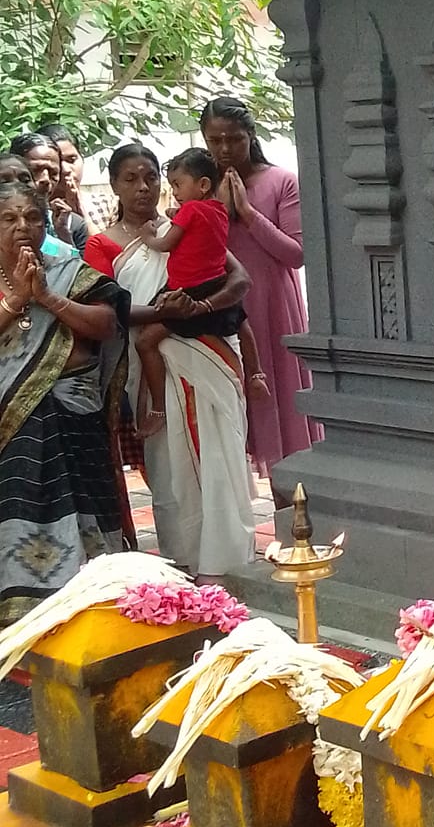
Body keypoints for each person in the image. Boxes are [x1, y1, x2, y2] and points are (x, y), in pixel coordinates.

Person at [85, 145, 257, 577]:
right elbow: (107, 311)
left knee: (218, 451)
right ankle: (183, 557)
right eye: (130, 179)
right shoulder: (102, 245)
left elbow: (238, 279)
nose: (143, 187)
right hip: (153, 366)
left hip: (206, 349)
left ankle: (226, 558)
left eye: (151, 177)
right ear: (114, 186)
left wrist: (197, 310)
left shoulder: (188, 223)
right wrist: (167, 313)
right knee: (169, 463)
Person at [0, 178, 127, 624]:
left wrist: (48, 299)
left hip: (73, 412)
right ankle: (19, 606)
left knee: (86, 499)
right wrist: (16, 299)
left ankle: (89, 597)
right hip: (9, 420)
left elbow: (108, 325)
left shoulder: (70, 272)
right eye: (9, 218)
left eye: (33, 217)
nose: (23, 226)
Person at [199, 95, 318, 479]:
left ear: (250, 135)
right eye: (215, 140)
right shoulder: (201, 185)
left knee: (281, 410)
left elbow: (296, 253)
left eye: (233, 138)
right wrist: (216, 209)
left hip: (273, 307)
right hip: (223, 309)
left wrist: (248, 214)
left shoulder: (280, 181)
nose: (224, 149)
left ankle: (292, 516)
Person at [131, 148, 257, 440]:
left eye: (178, 185)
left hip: (184, 292)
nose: (173, 192)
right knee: (241, 322)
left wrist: (147, 234)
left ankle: (158, 408)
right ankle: (257, 373)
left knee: (145, 341)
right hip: (214, 286)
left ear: (202, 185)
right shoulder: (219, 212)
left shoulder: (190, 211)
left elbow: (165, 245)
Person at [9, 133, 88, 253]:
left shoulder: (72, 224)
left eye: (53, 172)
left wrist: (63, 234)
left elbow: (81, 270)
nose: (46, 179)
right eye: (35, 170)